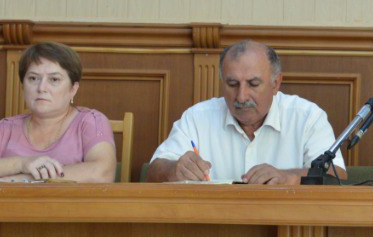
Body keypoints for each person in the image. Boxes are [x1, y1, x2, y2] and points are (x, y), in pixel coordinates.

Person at [145, 40, 344, 184]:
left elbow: (336, 176)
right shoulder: (197, 118)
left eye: (253, 84)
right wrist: (174, 169)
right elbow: (153, 172)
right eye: (232, 84)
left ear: (276, 83)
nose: (241, 97)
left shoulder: (307, 117)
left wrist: (288, 178)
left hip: (287, 225)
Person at [0, 42, 116, 183]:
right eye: (33, 78)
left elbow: (102, 173)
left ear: (73, 89)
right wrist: (22, 163)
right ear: (23, 86)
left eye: (54, 79)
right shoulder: (7, 127)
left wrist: (22, 180)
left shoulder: (91, 121)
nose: (41, 88)